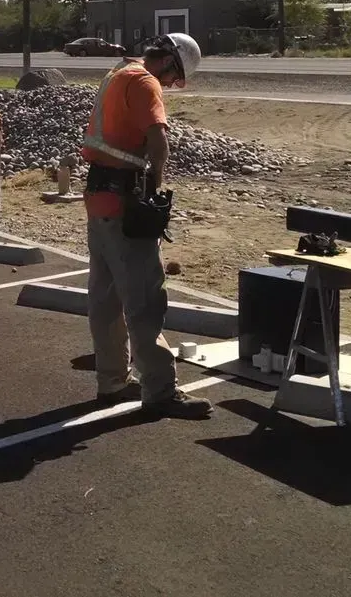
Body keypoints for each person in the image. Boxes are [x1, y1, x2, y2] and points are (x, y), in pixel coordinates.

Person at [78, 32, 210, 418]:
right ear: (168, 62)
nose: (170, 85)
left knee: (105, 297)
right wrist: (154, 188)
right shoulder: (144, 81)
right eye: (174, 77)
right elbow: (158, 141)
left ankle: (112, 381)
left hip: (99, 198)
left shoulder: (117, 74)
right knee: (144, 301)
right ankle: (160, 391)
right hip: (124, 203)